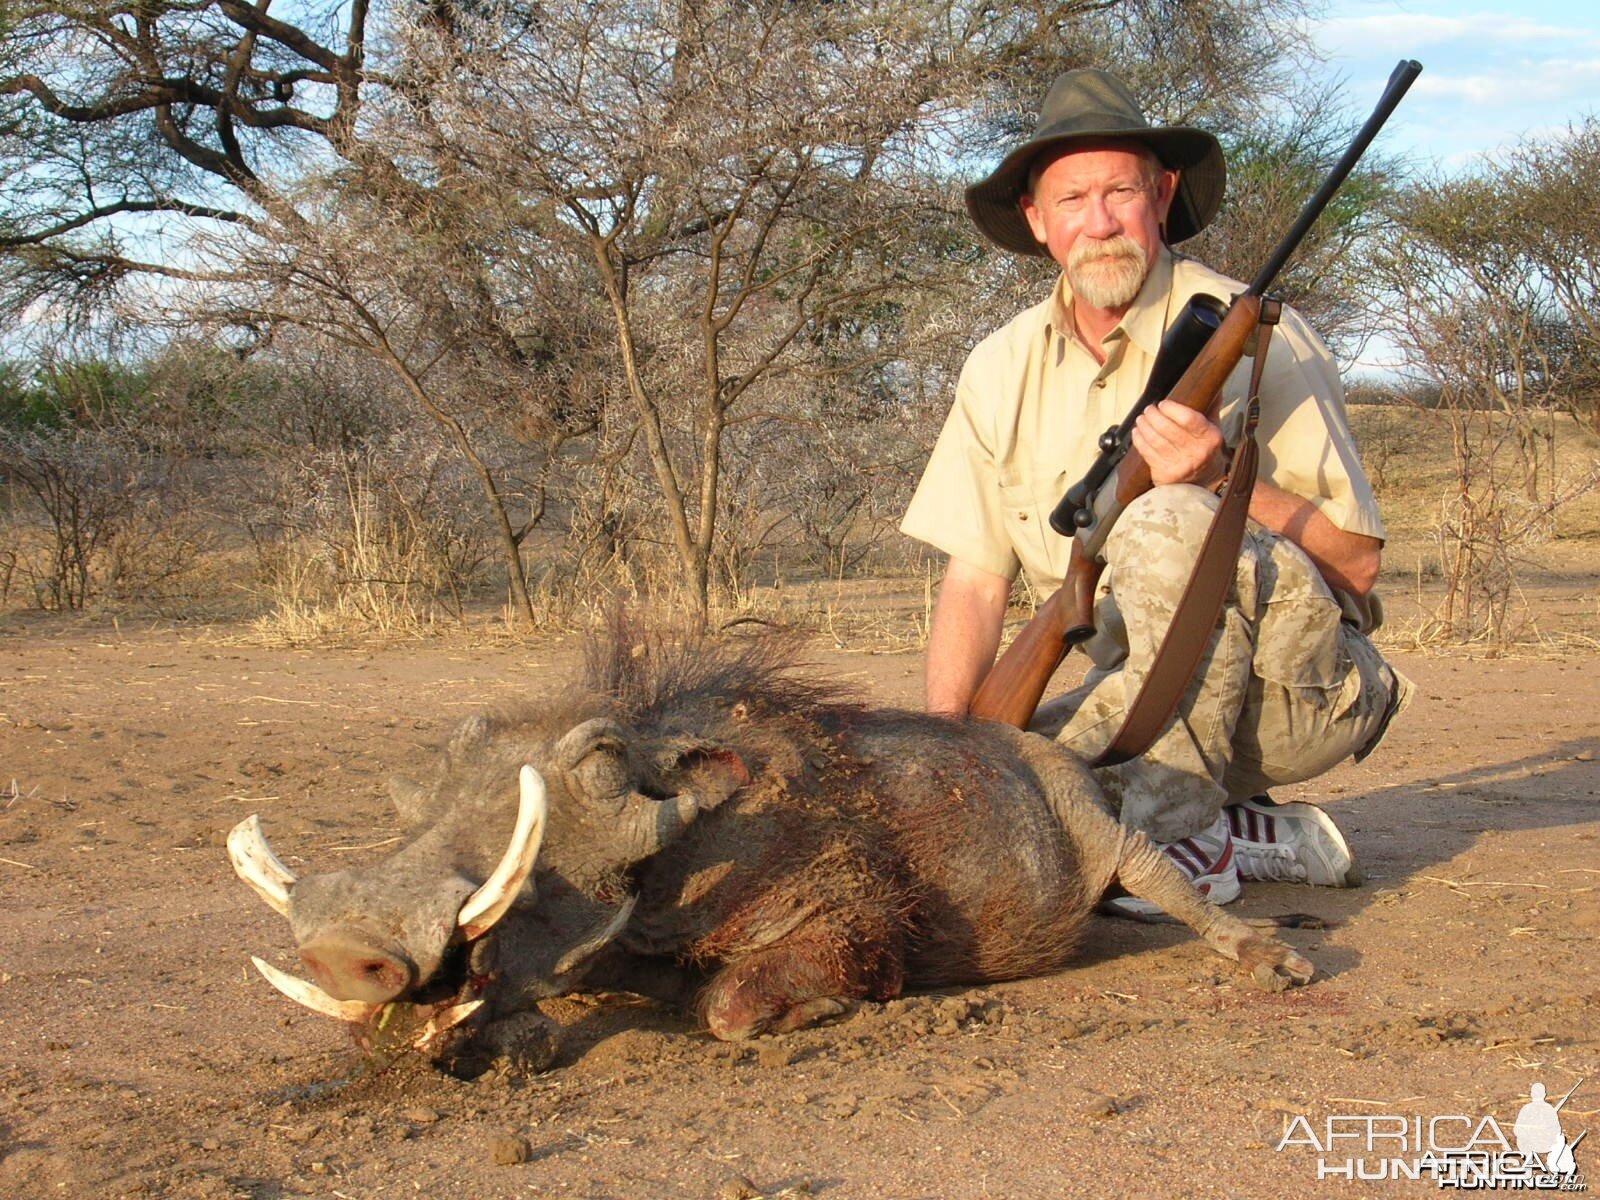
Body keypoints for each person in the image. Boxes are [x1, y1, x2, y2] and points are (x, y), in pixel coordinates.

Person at [900, 69, 1412, 915]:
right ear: (1036, 219)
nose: (1098, 223)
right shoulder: (999, 366)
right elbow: (976, 580)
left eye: (1120, 192)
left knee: (1172, 516)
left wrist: (1218, 481)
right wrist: (954, 754)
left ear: (1163, 195)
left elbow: (1356, 569)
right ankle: (1246, 831)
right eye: (1071, 200)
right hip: (1141, 691)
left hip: (1297, 696)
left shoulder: (1264, 339)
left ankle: (1173, 841)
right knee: (1010, 771)